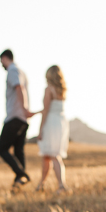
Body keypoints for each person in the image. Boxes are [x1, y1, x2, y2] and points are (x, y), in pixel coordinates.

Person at [0, 49, 33, 189]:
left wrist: (24, 108)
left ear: (6, 58)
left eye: (1, 61)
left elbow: (19, 88)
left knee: (2, 149)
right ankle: (20, 180)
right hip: (23, 119)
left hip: (15, 116)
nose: (1, 64)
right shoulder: (22, 71)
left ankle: (22, 174)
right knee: (19, 150)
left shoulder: (12, 71)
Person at [34, 65, 70, 193]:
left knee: (53, 155)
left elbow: (46, 110)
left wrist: (40, 129)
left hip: (51, 123)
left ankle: (61, 185)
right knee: (48, 156)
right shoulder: (62, 91)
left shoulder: (48, 89)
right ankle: (41, 184)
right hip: (61, 122)